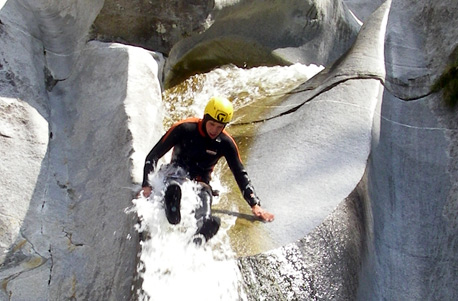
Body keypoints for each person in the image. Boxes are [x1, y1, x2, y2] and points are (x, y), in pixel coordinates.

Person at [140, 96, 274, 244]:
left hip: (200, 180)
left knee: (205, 194)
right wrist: (146, 185)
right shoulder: (184, 128)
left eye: (220, 127)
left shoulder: (225, 143)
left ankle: (201, 231)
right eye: (212, 124)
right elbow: (152, 156)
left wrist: (255, 204)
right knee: (174, 182)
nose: (214, 130)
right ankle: (171, 208)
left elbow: (240, 173)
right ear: (205, 118)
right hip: (175, 172)